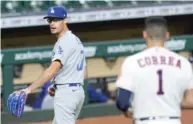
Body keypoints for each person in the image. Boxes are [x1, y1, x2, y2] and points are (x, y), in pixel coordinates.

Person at [115, 16, 193, 124]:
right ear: (167, 35)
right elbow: (191, 101)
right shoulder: (184, 63)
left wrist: (127, 111)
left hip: (144, 121)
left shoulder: (131, 62)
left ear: (144, 35)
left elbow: (122, 102)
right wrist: (169, 102)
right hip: (172, 120)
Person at [18, 6, 86, 124]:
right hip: (76, 92)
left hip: (67, 95)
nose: (52, 23)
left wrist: (28, 90)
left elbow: (52, 70)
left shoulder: (64, 42)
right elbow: (80, 70)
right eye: (50, 20)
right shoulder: (75, 40)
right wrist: (57, 84)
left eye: (56, 19)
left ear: (65, 20)